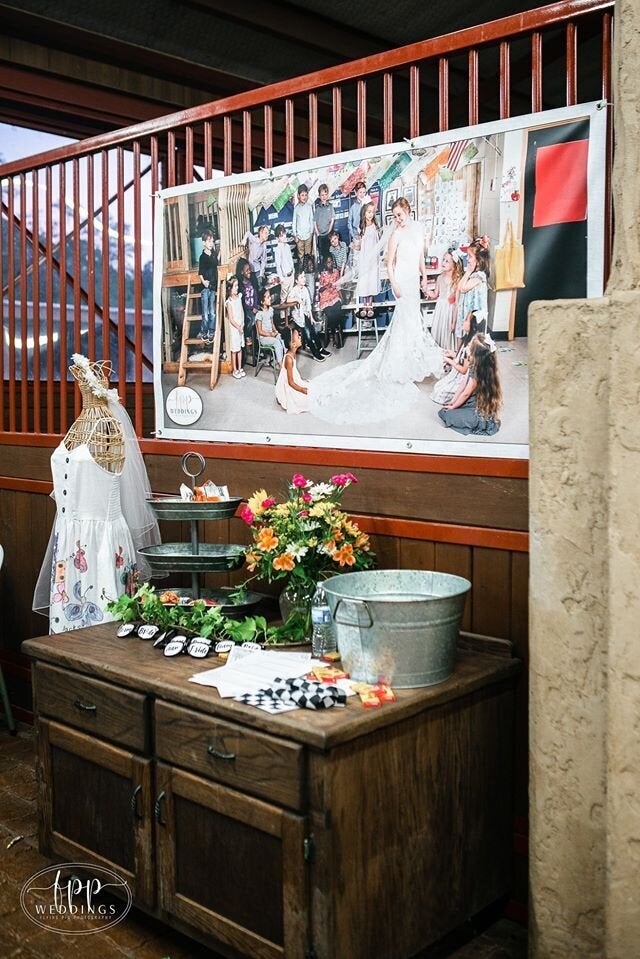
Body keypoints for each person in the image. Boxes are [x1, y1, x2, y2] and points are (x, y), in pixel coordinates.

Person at [308, 198, 442, 425]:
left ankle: (412, 361)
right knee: (405, 321)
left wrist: (425, 279)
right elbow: (389, 263)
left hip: (413, 279)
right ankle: (402, 364)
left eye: (400, 215)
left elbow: (421, 255)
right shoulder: (395, 235)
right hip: (401, 279)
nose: (397, 219)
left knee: (414, 322)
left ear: (408, 211)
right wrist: (395, 284)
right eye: (395, 216)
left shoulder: (418, 229)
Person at [438, 332, 502, 435]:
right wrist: (453, 402)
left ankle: (481, 422)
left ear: (475, 353)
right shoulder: (473, 365)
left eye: (469, 346)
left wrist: (453, 407)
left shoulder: (478, 372)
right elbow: (462, 385)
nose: (467, 347)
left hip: (477, 408)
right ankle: (461, 412)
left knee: (447, 415)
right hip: (470, 402)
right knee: (444, 410)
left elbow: (466, 393)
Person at [431, 311, 479, 405]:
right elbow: (462, 357)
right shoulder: (467, 339)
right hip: (456, 375)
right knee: (438, 387)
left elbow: (464, 370)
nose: (463, 322)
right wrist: (453, 354)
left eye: (466, 320)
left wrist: (449, 360)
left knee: (440, 392)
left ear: (473, 325)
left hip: (462, 378)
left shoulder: (471, 346)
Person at [455, 237, 490, 350]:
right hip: (467, 314)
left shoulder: (480, 276)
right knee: (465, 342)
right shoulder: (473, 275)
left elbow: (462, 288)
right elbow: (459, 287)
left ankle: (466, 365)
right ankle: (459, 362)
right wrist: (468, 272)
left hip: (474, 317)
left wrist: (469, 271)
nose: (467, 259)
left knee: (472, 344)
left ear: (478, 260)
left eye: (470, 256)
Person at [289, 270, 328, 361]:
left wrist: (311, 317)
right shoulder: (294, 290)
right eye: (301, 277)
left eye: (304, 277)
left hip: (305, 314)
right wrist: (297, 299)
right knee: (308, 334)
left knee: (313, 331)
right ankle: (315, 353)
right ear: (296, 281)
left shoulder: (305, 289)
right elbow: (288, 300)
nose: (304, 279)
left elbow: (308, 305)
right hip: (298, 317)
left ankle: (320, 349)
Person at [429, 249, 464, 350]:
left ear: (454, 265)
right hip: (440, 309)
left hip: (451, 310)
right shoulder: (439, 278)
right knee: (439, 330)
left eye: (447, 261)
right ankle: (439, 351)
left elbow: (457, 303)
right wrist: (427, 291)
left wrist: (454, 322)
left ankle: (449, 352)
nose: (443, 262)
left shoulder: (457, 280)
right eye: (443, 260)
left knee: (449, 331)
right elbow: (435, 294)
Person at [275, 326, 310, 414]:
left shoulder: (293, 353)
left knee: (312, 387)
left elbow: (294, 374)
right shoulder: (289, 359)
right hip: (290, 386)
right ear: (293, 344)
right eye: (298, 337)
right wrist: (302, 390)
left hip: (293, 382)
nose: (300, 338)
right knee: (308, 400)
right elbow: (290, 383)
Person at [355, 201, 381, 318]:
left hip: (373, 260)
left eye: (372, 212)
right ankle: (364, 305)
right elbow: (359, 246)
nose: (371, 214)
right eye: (368, 212)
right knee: (365, 281)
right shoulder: (361, 228)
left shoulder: (375, 226)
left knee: (372, 281)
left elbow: (378, 242)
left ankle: (370, 305)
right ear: (364, 213)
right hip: (364, 259)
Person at [318, 254, 345, 349]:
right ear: (325, 264)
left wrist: (342, 298)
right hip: (325, 297)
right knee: (330, 313)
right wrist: (326, 286)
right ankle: (334, 333)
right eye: (328, 262)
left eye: (331, 261)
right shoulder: (323, 274)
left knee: (338, 310)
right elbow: (320, 290)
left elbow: (339, 286)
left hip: (334, 296)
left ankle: (334, 332)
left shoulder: (336, 272)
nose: (330, 263)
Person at [197, 228, 219, 342]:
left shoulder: (213, 255)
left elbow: (215, 266)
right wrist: (203, 281)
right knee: (205, 314)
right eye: (209, 241)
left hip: (213, 287)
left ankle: (211, 331)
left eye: (212, 241)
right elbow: (200, 272)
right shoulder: (202, 257)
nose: (211, 243)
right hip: (205, 288)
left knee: (213, 313)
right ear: (204, 243)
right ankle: (203, 331)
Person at [256, 288, 285, 367]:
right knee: (277, 342)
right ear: (262, 302)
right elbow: (260, 331)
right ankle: (280, 365)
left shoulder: (271, 310)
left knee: (281, 339)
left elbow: (272, 324)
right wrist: (270, 334)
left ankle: (284, 360)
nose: (270, 298)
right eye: (268, 297)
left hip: (271, 334)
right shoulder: (260, 314)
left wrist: (275, 331)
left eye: (270, 296)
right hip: (263, 338)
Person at [225, 276, 246, 379]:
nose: (237, 288)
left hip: (240, 327)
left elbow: (241, 311)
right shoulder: (229, 302)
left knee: (240, 348)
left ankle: (240, 367)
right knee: (234, 349)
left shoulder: (239, 298)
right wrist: (238, 327)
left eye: (237, 286)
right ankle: (235, 369)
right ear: (230, 289)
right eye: (235, 286)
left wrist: (242, 323)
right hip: (234, 329)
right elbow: (231, 319)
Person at [243, 225, 270, 289]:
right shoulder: (254, 240)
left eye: (268, 233)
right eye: (265, 233)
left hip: (258, 270)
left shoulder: (264, 246)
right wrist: (243, 241)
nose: (267, 235)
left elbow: (264, 260)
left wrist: (261, 273)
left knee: (259, 288)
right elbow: (248, 233)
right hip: (250, 270)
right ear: (260, 233)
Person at [292, 184, 314, 261]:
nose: (304, 197)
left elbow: (311, 220)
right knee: (300, 255)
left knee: (308, 255)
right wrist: (295, 235)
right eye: (302, 195)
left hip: (308, 236)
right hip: (299, 237)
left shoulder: (309, 207)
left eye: (306, 195)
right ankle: (302, 271)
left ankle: (308, 270)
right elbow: (294, 223)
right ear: (298, 196)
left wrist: (311, 233)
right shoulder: (296, 208)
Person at [314, 183, 335, 265]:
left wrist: (329, 231)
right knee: (322, 254)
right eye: (322, 195)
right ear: (319, 196)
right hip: (320, 236)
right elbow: (314, 222)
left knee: (330, 253)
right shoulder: (317, 208)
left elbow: (332, 220)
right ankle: (323, 271)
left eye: (325, 194)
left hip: (328, 234)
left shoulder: (330, 206)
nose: (324, 197)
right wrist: (318, 234)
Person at [239, 259, 259, 344]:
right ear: (241, 272)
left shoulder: (252, 282)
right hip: (246, 309)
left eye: (249, 269)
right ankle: (247, 335)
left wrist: (255, 306)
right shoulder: (241, 285)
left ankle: (259, 344)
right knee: (251, 319)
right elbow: (242, 302)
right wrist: (251, 309)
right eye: (247, 270)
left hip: (253, 307)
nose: (249, 271)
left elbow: (255, 296)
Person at [274, 223, 295, 302]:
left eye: (284, 234)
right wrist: (282, 278)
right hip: (285, 277)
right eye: (281, 235)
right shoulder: (277, 249)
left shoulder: (287, 246)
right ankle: (283, 315)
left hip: (291, 275)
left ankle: (288, 314)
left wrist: (293, 271)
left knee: (290, 297)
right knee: (283, 298)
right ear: (277, 238)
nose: (284, 236)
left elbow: (290, 260)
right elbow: (278, 265)